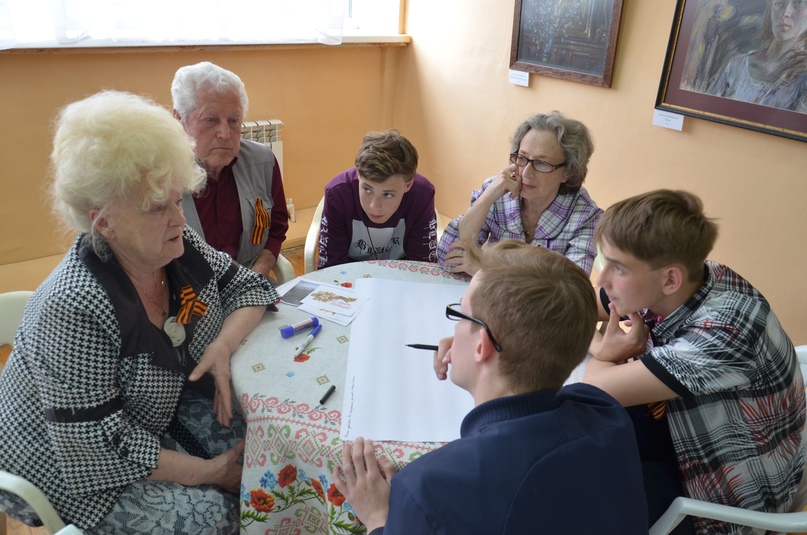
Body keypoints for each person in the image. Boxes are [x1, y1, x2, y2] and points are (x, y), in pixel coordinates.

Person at [0, 91, 280, 533]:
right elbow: (99, 448)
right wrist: (212, 473)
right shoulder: (72, 307)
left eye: (177, 199)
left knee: (267, 448)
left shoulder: (176, 244)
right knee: (218, 516)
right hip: (68, 464)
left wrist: (223, 346)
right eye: (156, 208)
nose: (179, 219)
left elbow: (250, 287)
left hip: (148, 416)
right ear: (104, 223)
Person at [332, 241, 648, 534]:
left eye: (459, 315)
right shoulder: (607, 412)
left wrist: (378, 519)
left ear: (482, 345)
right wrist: (479, 342)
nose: (454, 329)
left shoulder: (425, 490)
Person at [584, 189, 805, 535]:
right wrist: (602, 342)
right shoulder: (690, 278)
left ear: (670, 279)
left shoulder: (724, 329)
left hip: (733, 496)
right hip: (685, 428)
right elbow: (579, 306)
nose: (601, 279)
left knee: (584, 498)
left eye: (619, 268)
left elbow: (594, 389)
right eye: (604, 261)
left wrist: (605, 352)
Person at [437, 111, 602, 276]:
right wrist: (485, 199)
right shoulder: (498, 192)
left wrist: (486, 271)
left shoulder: (585, 216)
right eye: (522, 158)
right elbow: (448, 259)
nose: (526, 173)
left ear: (568, 172)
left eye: (542, 163)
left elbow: (572, 287)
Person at [172, 61, 289, 278]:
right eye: (210, 120)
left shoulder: (263, 162)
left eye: (234, 121)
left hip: (249, 282)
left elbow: (277, 228)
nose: (225, 134)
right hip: (189, 292)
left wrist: (255, 276)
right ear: (180, 119)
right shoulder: (159, 176)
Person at [318, 130, 436, 268]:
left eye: (388, 195)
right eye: (367, 190)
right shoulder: (338, 193)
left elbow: (422, 266)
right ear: (359, 174)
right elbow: (332, 268)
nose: (374, 206)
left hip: (402, 272)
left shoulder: (422, 195)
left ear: (408, 185)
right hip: (349, 272)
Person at [711, 0, 807, 112]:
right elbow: (708, 111)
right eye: (779, 3)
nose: (785, 13)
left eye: (798, 3)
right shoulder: (736, 64)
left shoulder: (803, 79)